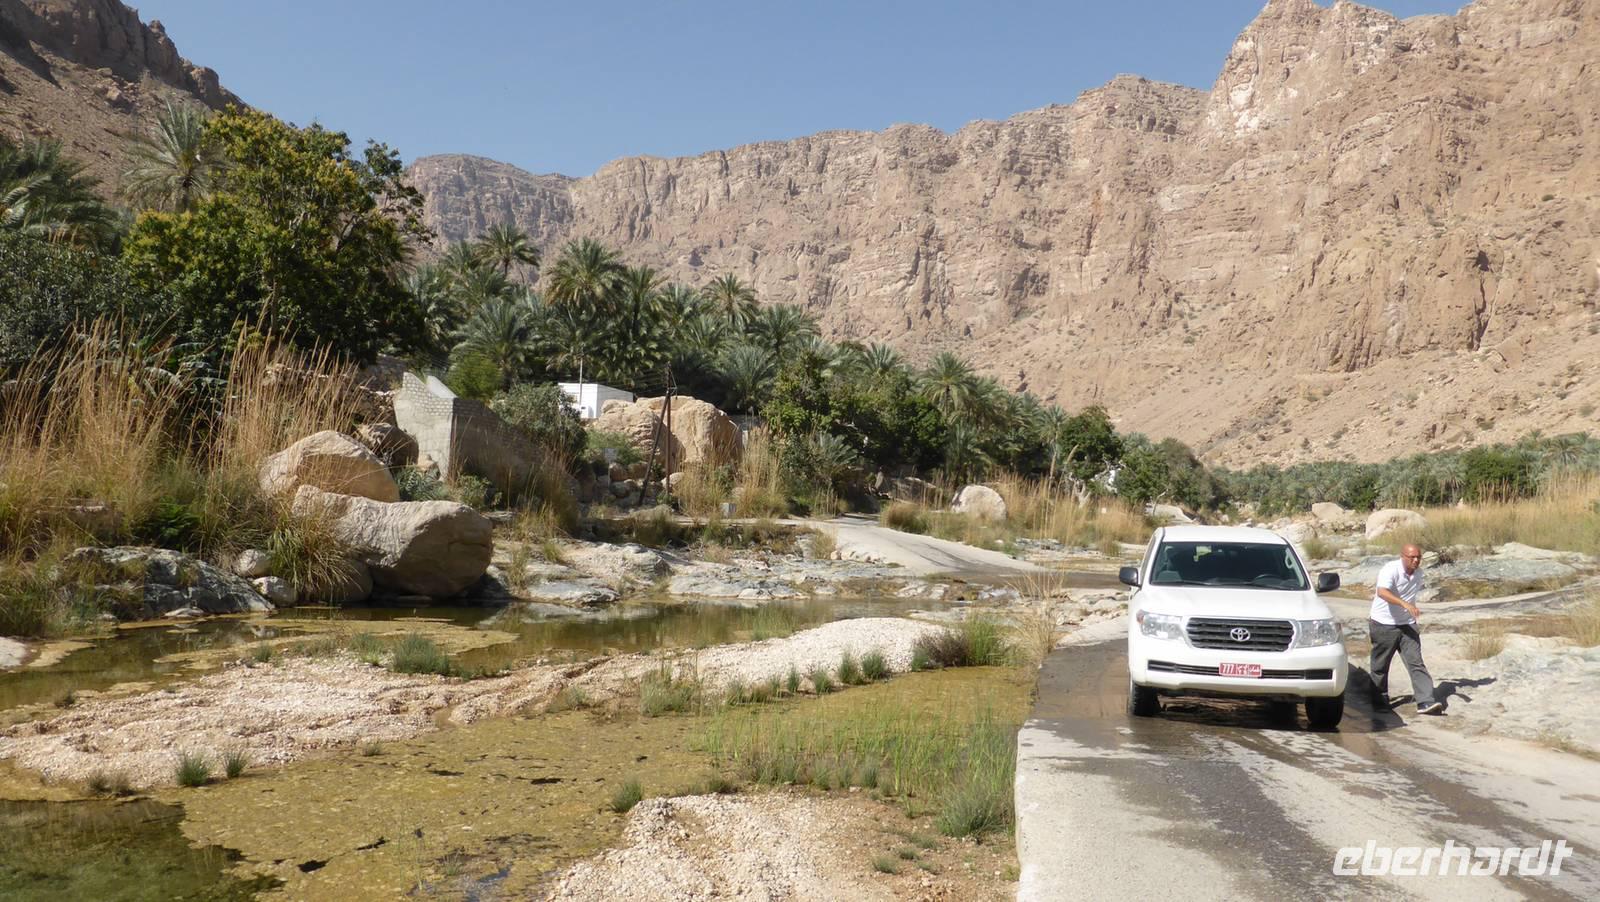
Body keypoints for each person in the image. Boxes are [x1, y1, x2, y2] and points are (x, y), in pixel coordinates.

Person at [1369, 543, 1443, 714]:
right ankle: (1379, 700)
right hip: (1383, 624)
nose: (1416, 560)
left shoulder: (1419, 574)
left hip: (1407, 624)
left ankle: (1426, 701)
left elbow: (1410, 595)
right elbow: (1382, 592)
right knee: (1380, 665)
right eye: (1412, 557)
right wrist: (1404, 604)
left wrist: (1410, 610)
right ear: (1402, 556)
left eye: (1418, 557)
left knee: (1416, 662)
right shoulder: (1390, 570)